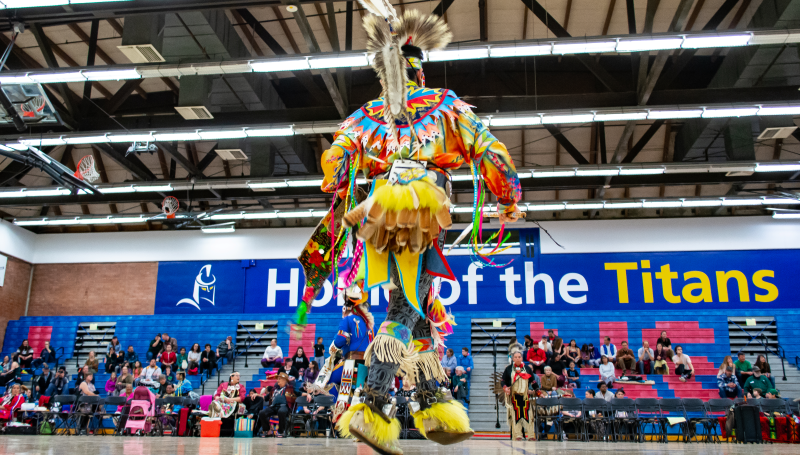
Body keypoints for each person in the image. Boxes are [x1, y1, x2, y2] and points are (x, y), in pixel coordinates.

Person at [315, 10, 520, 449]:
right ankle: (371, 407)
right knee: (406, 304)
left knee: (416, 299)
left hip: (378, 212)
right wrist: (508, 199)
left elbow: (334, 161)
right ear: (420, 70)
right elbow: (491, 152)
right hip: (424, 208)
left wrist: (340, 178)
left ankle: (433, 405)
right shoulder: (446, 105)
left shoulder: (367, 116)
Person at [331, 286, 375, 363]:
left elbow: (340, 340)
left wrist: (333, 348)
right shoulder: (373, 325)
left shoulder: (347, 320)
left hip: (352, 363)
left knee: (330, 374)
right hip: (370, 365)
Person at [502, 352, 537, 441]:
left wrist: (538, 390)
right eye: (516, 357)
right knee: (515, 416)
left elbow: (533, 381)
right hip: (514, 397)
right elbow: (503, 381)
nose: (517, 358)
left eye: (519, 357)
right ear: (513, 359)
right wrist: (505, 388)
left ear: (522, 358)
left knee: (529, 416)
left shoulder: (527, 368)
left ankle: (531, 435)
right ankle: (518, 435)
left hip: (525, 397)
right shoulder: (508, 369)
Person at [259, 372, 292, 438]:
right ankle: (267, 430)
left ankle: (281, 431)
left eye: (279, 379)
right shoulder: (274, 389)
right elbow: (265, 398)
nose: (277, 380)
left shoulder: (289, 388)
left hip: (283, 406)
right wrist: (257, 395)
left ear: (284, 380)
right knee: (262, 412)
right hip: (273, 407)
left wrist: (307, 394)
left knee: (281, 411)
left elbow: (299, 394)